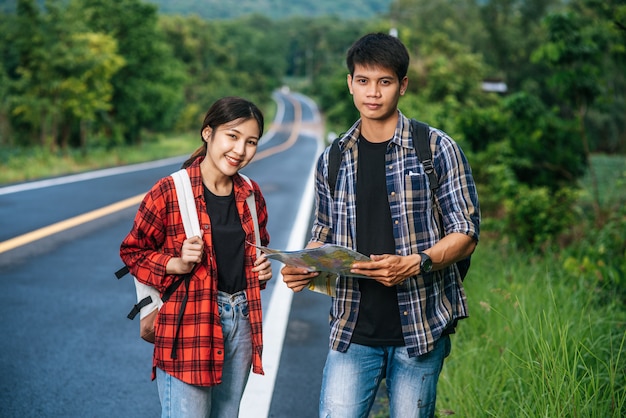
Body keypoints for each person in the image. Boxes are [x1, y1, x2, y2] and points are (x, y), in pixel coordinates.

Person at [281, 33, 480, 418]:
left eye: (384, 82)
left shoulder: (436, 149)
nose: (373, 93)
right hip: (353, 329)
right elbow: (323, 233)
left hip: (420, 329)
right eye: (363, 81)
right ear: (350, 83)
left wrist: (415, 262)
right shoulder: (333, 159)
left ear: (402, 86)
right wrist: (304, 266)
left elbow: (466, 233)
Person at [120, 96, 272, 418]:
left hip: (242, 319)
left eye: (251, 142)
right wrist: (175, 263)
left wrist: (261, 270)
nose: (240, 150)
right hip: (189, 324)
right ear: (208, 133)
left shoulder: (251, 194)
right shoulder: (169, 191)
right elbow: (132, 252)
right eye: (232, 136)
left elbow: (259, 248)